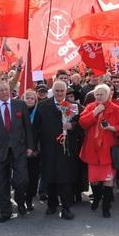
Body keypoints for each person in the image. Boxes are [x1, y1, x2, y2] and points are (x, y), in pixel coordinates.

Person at [0, 81, 34, 223]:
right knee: (1, 182)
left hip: (19, 149)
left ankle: (20, 200)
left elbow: (27, 127)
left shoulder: (20, 105)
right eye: (1, 91)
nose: (4, 92)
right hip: (0, 151)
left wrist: (30, 146)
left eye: (6, 89)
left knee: (22, 180)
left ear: (9, 91)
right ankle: (5, 211)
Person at [34, 81, 83, 220]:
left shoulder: (74, 106)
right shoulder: (43, 106)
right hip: (48, 148)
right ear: (53, 91)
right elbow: (36, 127)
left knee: (65, 179)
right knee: (50, 177)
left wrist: (72, 125)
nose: (60, 93)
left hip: (66, 148)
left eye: (62, 91)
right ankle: (52, 205)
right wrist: (33, 146)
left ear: (66, 91)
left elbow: (82, 124)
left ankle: (66, 207)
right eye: (57, 91)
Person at [78, 84, 119, 218]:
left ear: (108, 95)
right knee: (94, 180)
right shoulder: (90, 107)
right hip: (92, 150)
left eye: (102, 94)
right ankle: (97, 197)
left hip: (108, 150)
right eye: (97, 94)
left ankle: (106, 207)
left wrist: (112, 128)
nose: (99, 97)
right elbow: (82, 122)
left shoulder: (116, 109)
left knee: (108, 180)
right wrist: (94, 112)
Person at [22, 90, 41, 212]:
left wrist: (36, 149)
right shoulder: (18, 112)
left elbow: (41, 133)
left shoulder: (39, 113)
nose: (29, 100)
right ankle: (21, 200)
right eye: (27, 98)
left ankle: (29, 199)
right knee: (22, 178)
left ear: (35, 100)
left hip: (35, 151)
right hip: (21, 151)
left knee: (33, 177)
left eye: (32, 98)